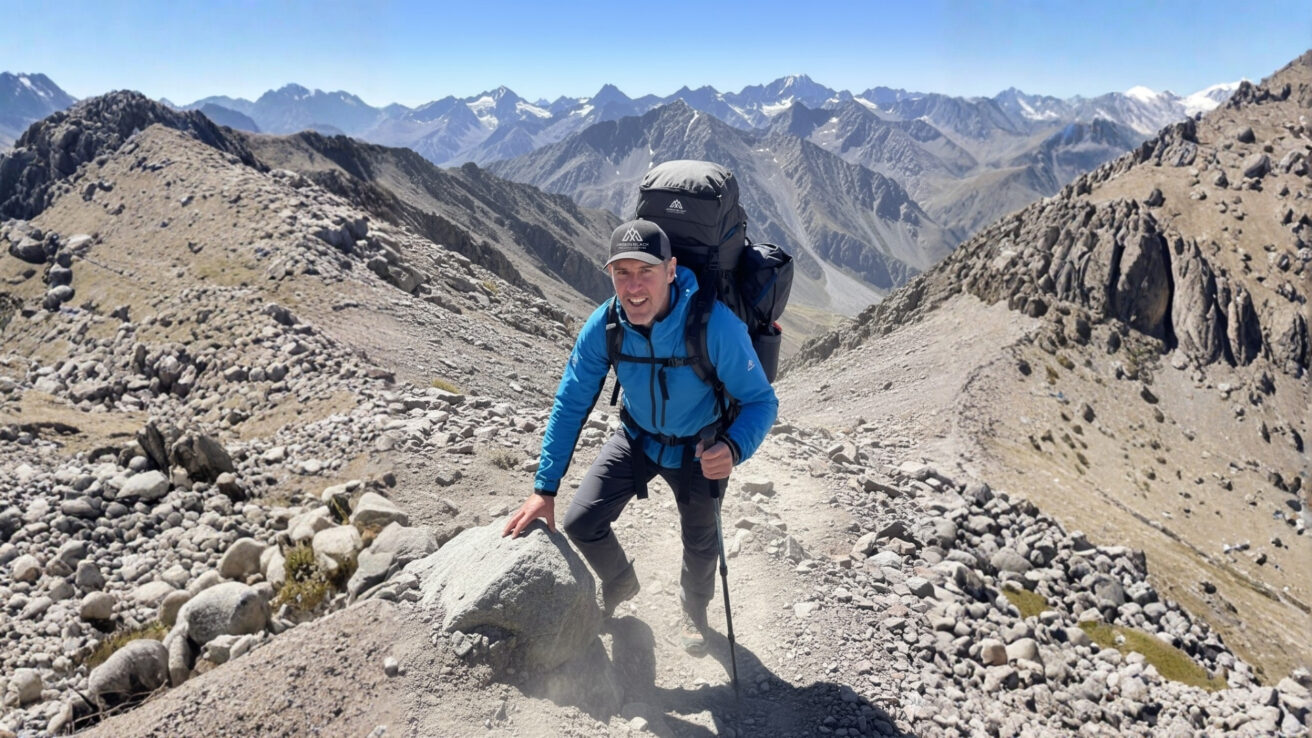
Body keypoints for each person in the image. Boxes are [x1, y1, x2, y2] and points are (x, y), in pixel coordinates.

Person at [502, 218, 778, 654]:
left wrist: (733, 445)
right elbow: (571, 400)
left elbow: (762, 401)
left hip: (699, 450)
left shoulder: (714, 325)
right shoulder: (606, 325)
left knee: (701, 543)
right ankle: (621, 581)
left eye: (645, 271)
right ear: (609, 274)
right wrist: (544, 487)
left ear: (671, 270)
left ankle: (693, 609)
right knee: (581, 521)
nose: (633, 288)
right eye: (621, 273)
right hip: (637, 439)